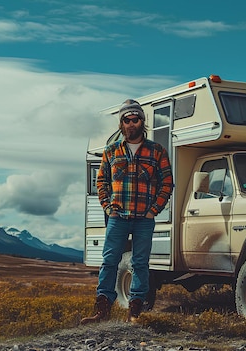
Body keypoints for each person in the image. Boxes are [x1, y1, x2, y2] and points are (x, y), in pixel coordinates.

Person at [81, 99, 174, 324]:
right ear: (121, 124)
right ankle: (102, 311)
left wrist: (154, 210)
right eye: (127, 119)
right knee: (109, 261)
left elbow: (167, 183)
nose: (132, 123)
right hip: (118, 218)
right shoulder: (111, 151)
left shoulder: (157, 151)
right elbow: (101, 180)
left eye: (136, 119)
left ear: (143, 121)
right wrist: (108, 206)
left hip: (144, 218)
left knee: (140, 263)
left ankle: (135, 312)